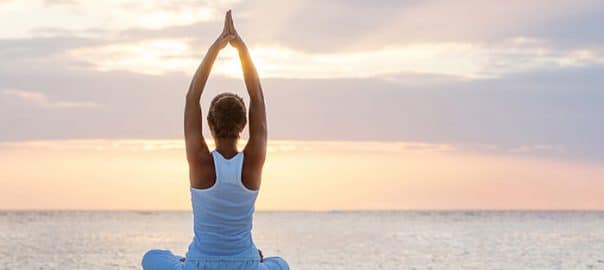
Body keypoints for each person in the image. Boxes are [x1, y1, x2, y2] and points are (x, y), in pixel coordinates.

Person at [141, 10, 289, 270]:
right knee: (281, 264)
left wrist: (216, 47)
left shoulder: (200, 162)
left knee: (151, 257)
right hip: (245, 265)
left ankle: (184, 262)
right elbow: (258, 99)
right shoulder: (252, 162)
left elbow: (191, 99)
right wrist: (241, 49)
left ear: (209, 124)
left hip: (199, 265)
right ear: (244, 125)